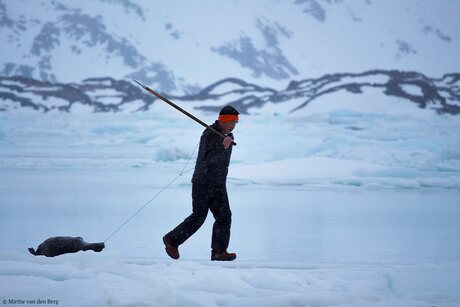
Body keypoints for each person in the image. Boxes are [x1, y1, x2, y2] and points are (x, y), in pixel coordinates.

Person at [162, 105, 240, 261]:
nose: (234, 124)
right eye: (232, 121)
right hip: (203, 183)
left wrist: (225, 144)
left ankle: (219, 252)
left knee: (224, 217)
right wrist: (222, 146)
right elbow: (207, 160)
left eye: (236, 121)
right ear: (223, 120)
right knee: (199, 217)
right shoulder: (209, 135)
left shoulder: (227, 136)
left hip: (218, 184)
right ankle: (172, 240)